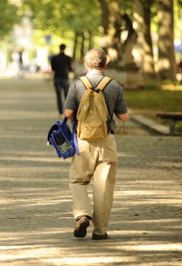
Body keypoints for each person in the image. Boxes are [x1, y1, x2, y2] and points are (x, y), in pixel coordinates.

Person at [63, 48, 128, 240]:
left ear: (86, 65)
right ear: (105, 65)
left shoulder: (77, 84)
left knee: (77, 180)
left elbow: (68, 113)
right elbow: (123, 117)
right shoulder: (114, 85)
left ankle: (83, 214)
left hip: (82, 140)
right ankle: (100, 232)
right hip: (106, 140)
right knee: (103, 187)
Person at [51, 44, 73, 118]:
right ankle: (67, 112)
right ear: (65, 49)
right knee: (66, 96)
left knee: (59, 96)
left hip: (57, 78)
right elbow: (70, 68)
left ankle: (60, 112)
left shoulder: (55, 58)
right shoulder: (68, 58)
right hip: (65, 78)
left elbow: (53, 68)